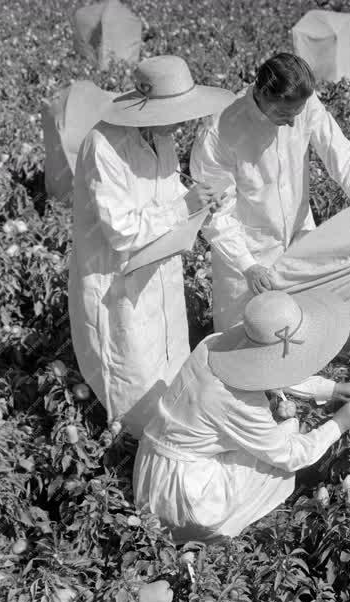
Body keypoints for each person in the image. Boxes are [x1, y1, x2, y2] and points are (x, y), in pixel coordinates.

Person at [68, 55, 234, 437]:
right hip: (117, 278)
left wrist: (198, 195)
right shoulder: (103, 146)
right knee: (131, 371)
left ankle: (171, 438)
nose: (183, 121)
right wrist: (185, 205)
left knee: (171, 357)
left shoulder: (161, 135)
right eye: (177, 112)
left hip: (159, 267)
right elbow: (122, 230)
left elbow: (166, 189)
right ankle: (133, 455)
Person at [133, 290, 350, 542]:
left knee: (274, 435)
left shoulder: (214, 346)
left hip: (151, 464)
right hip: (181, 495)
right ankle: (205, 533)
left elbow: (270, 368)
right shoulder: (239, 403)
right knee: (277, 458)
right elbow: (290, 456)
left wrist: (331, 388)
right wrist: (338, 424)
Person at [190, 52, 350, 332]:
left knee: (298, 333)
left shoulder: (305, 103)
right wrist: (247, 265)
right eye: (282, 113)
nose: (291, 123)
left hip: (298, 237)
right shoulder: (221, 130)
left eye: (296, 114)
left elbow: (337, 149)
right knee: (245, 338)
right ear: (262, 92)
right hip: (246, 250)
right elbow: (214, 212)